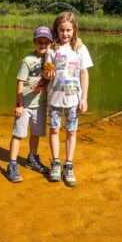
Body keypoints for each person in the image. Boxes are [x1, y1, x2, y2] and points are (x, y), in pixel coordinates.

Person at [44, 11, 93, 186]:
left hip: (73, 99)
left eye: (68, 30)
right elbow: (47, 72)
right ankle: (56, 163)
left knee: (71, 131)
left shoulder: (80, 48)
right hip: (54, 98)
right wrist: (47, 74)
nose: (65, 34)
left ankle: (69, 165)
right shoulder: (52, 49)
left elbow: (84, 74)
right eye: (61, 30)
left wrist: (84, 98)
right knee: (54, 130)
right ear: (56, 30)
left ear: (74, 30)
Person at [6, 26, 54, 183]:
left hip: (40, 104)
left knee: (36, 133)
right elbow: (20, 82)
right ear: (34, 42)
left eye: (46, 42)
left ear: (51, 44)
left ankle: (32, 158)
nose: (43, 45)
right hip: (25, 104)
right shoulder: (27, 60)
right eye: (39, 42)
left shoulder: (51, 59)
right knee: (18, 134)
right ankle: (12, 164)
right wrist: (19, 104)